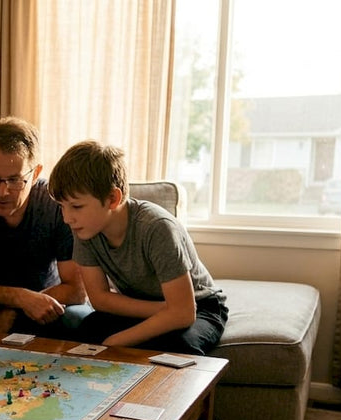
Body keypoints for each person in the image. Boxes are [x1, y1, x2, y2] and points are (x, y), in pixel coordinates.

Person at [47, 140, 228, 355]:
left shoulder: (157, 228)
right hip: (150, 305)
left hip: (200, 307)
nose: (67, 218)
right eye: (62, 207)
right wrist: (161, 310)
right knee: (87, 330)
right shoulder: (85, 229)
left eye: (76, 206)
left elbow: (183, 313)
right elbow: (100, 299)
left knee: (179, 346)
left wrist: (116, 341)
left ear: (113, 198)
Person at [0, 117, 89, 338]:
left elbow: (77, 290)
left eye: (14, 180)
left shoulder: (57, 204)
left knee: (80, 320)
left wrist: (20, 309)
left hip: (47, 301)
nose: (1, 192)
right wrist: (21, 299)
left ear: (35, 174)